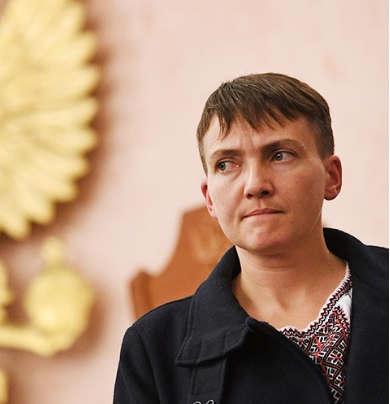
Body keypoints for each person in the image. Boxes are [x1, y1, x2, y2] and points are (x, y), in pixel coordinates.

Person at [113, 72, 388, 404]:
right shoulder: (153, 349)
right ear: (209, 198)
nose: (255, 184)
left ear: (331, 177)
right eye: (226, 164)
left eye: (280, 155)